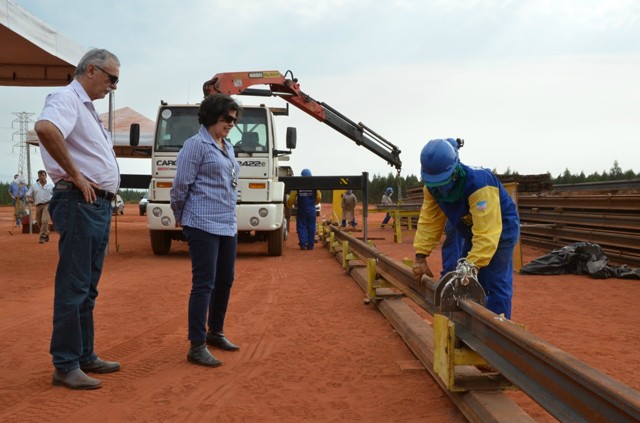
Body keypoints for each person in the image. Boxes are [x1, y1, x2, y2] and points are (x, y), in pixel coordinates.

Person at [34, 48, 122, 390]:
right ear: (90, 70)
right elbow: (44, 127)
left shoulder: (86, 107)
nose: (113, 86)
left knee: (87, 287)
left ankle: (84, 355)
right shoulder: (67, 98)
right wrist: (77, 175)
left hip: (95, 205)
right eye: (111, 78)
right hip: (80, 201)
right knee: (74, 286)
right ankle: (66, 363)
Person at [170, 93, 243, 367]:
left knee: (225, 280)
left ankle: (216, 332)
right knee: (204, 283)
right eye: (227, 118)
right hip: (201, 221)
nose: (231, 124)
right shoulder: (195, 145)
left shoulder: (227, 146)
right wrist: (180, 216)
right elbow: (180, 186)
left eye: (234, 120)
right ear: (212, 115)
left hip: (227, 222)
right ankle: (196, 344)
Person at [412, 139, 520, 319]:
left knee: (495, 281)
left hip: (501, 229)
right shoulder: (432, 188)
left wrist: (472, 266)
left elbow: (487, 232)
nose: (440, 187)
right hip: (471, 230)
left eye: (442, 181)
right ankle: (471, 328)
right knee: (466, 280)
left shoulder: (479, 184)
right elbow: (429, 221)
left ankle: (498, 332)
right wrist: (420, 255)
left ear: (455, 169)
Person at [286, 168, 321, 250]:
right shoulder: (314, 185)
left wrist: (288, 205)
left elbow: (292, 198)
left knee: (301, 226)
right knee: (311, 227)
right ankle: (310, 245)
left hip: (302, 209)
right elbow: (319, 197)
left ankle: (303, 244)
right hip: (311, 210)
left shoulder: (299, 185)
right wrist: (314, 203)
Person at [26, 170, 54, 243]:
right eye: (40, 176)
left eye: (43, 175)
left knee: (44, 220)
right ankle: (46, 233)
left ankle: (42, 237)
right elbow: (28, 194)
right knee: (39, 222)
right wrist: (30, 198)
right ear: (38, 176)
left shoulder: (51, 185)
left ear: (46, 176)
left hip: (47, 204)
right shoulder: (34, 186)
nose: (41, 177)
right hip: (38, 205)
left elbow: (55, 195)